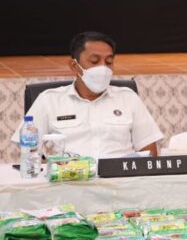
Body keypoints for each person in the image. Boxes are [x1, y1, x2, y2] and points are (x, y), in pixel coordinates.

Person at [11, 32, 163, 157]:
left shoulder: (128, 98)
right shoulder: (49, 100)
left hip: (121, 181)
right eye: (94, 61)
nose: (103, 68)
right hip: (67, 180)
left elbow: (149, 153)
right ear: (74, 65)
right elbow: (28, 153)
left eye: (108, 62)